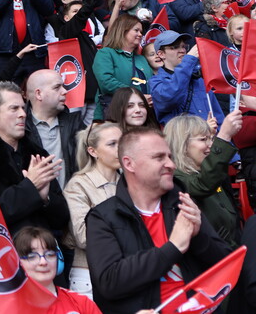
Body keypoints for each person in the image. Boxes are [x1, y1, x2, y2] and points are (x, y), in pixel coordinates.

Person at [86, 127, 233, 314]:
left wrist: (200, 236)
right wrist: (172, 248)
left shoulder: (183, 203)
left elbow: (225, 265)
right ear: (129, 164)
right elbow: (109, 283)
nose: (171, 165)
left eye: (170, 157)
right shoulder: (103, 217)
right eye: (159, 157)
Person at [0, 81, 70, 235]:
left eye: (23, 108)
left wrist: (46, 200)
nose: (23, 114)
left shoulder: (38, 154)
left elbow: (62, 218)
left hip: (44, 250)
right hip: (2, 251)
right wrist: (30, 187)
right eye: (14, 108)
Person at [164, 111, 243, 247]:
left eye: (210, 139)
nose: (210, 145)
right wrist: (223, 136)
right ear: (182, 144)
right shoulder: (174, 178)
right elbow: (203, 185)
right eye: (203, 139)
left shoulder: (205, 172)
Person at [63, 122, 122, 298]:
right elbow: (84, 237)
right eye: (112, 144)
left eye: (123, 142)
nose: (120, 148)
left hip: (124, 271)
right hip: (88, 275)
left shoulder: (129, 182)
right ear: (92, 151)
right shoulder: (78, 185)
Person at [14, 226, 101, 313]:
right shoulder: (9, 307)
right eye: (32, 257)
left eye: (50, 254)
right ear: (16, 263)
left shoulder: (81, 302)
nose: (43, 262)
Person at [25, 69, 86, 187]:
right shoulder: (21, 129)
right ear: (39, 94)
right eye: (57, 87)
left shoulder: (75, 124)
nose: (65, 91)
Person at [149, 31, 224, 126]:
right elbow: (170, 97)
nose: (182, 50)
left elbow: (217, 116)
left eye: (184, 46)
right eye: (175, 47)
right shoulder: (156, 82)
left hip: (210, 139)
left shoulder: (198, 80)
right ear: (161, 54)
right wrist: (189, 61)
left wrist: (220, 137)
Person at [93, 13, 153, 119]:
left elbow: (151, 81)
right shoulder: (106, 53)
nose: (140, 34)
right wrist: (138, 97)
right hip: (116, 115)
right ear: (123, 30)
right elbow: (106, 82)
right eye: (136, 30)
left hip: (143, 115)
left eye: (141, 32)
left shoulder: (141, 58)